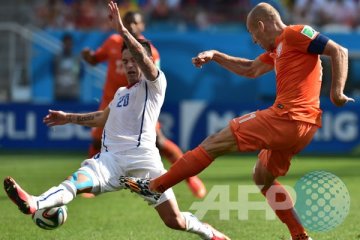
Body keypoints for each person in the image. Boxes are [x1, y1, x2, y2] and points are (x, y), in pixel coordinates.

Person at [119, 2, 355, 240]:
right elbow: (251, 70)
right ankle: (300, 236)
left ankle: (156, 186)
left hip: (287, 117)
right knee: (262, 177)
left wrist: (336, 93)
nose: (254, 41)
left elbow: (339, 51)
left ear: (261, 26)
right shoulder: (278, 49)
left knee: (215, 141)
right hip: (304, 126)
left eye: (253, 34)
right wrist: (217, 56)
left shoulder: (294, 34)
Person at [3, 2, 229, 240]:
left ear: (145, 60)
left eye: (133, 60)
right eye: (125, 61)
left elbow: (143, 56)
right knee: (74, 183)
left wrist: (122, 30)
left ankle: (209, 232)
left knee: (175, 221)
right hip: (109, 161)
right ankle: (34, 203)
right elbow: (102, 117)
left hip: (144, 164)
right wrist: (67, 117)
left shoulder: (155, 84)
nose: (128, 65)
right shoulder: (121, 93)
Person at [82, 10, 206, 198]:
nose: (132, 26)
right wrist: (88, 56)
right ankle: (90, 183)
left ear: (142, 26)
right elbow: (94, 59)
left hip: (140, 104)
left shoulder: (150, 51)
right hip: (112, 101)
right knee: (96, 142)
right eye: (128, 22)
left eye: (136, 23)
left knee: (159, 141)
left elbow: (154, 80)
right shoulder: (112, 43)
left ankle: (191, 178)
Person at [54, 33, 82, 101]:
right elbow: (53, 72)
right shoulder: (57, 58)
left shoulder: (76, 59)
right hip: (60, 93)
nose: (68, 46)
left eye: (69, 44)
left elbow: (79, 73)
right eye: (66, 43)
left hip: (73, 93)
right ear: (63, 44)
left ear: (72, 45)